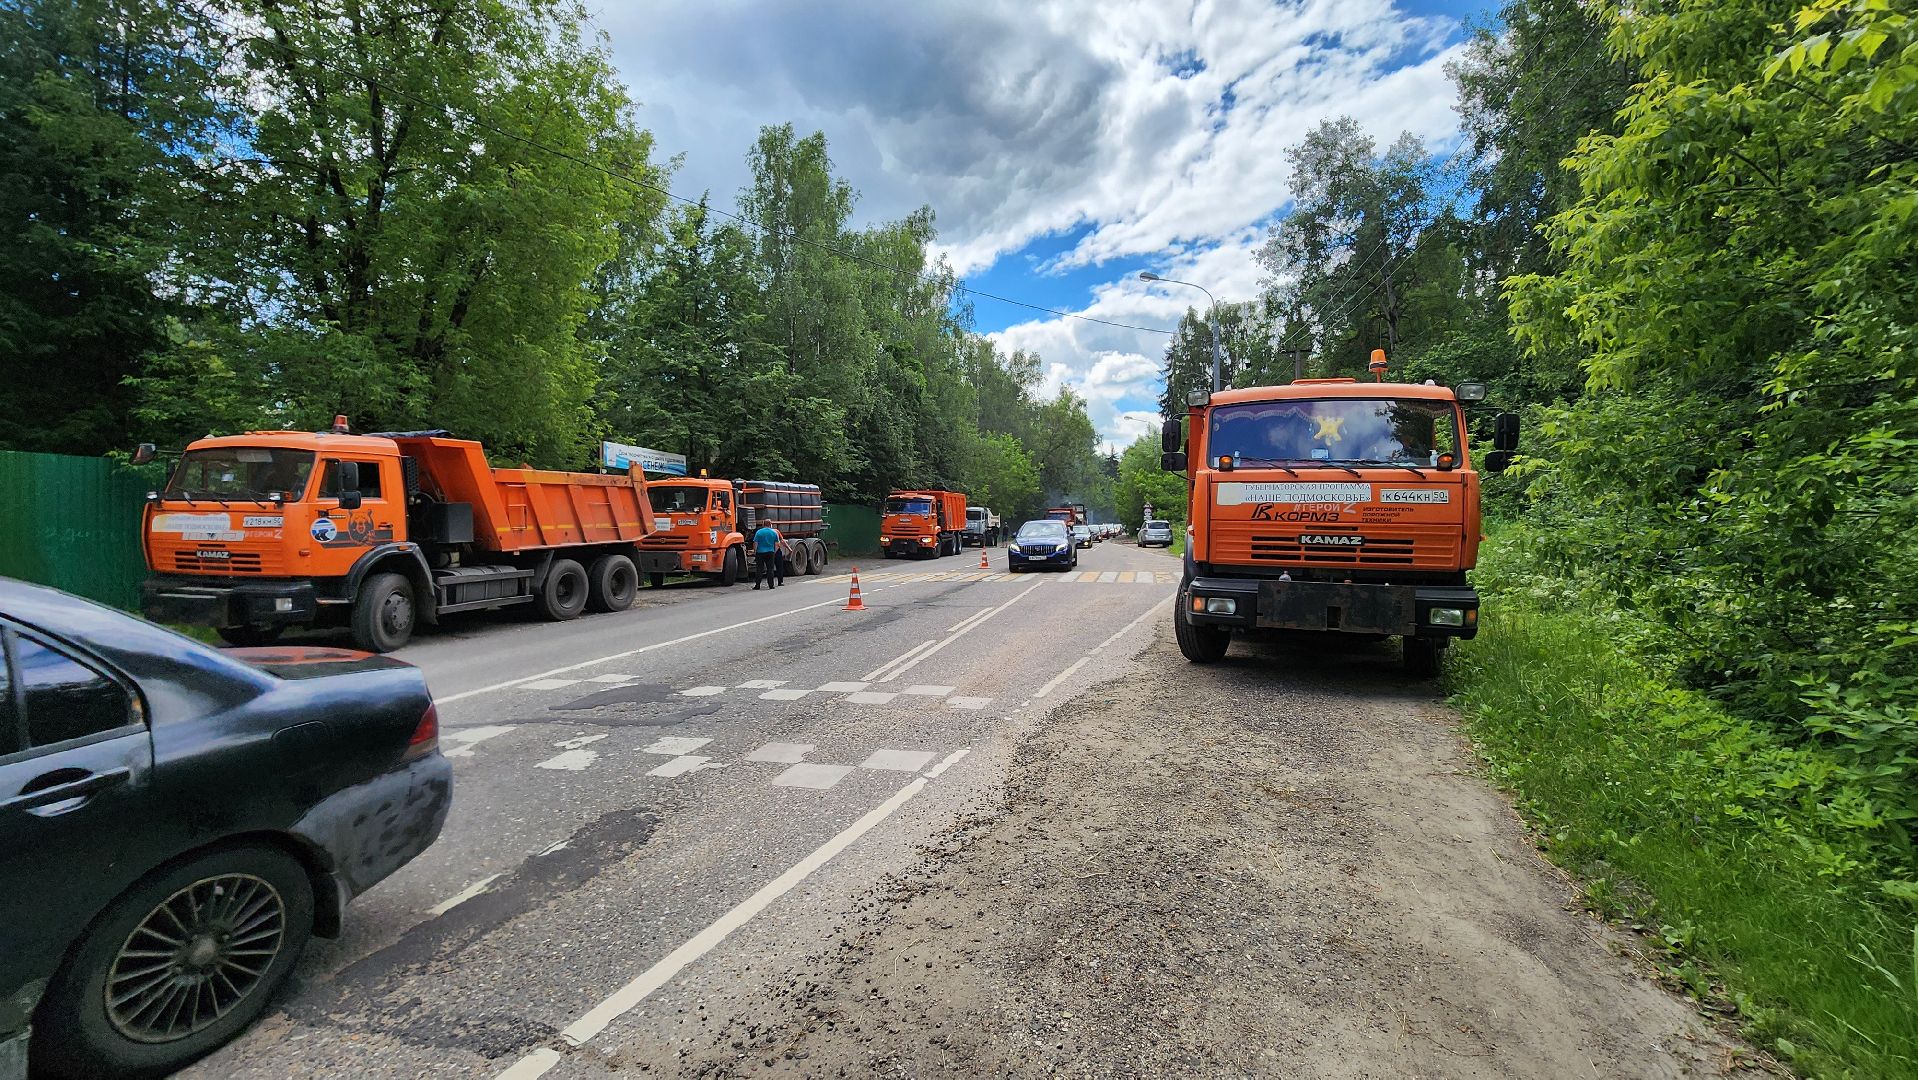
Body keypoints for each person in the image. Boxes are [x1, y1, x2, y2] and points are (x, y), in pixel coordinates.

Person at [753, 521, 782, 589]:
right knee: (770, 569)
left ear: (763, 524)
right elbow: (777, 544)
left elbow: (755, 543)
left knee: (759, 569)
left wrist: (755, 551)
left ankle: (757, 585)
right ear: (770, 525)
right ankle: (771, 585)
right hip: (770, 552)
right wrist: (774, 552)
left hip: (760, 553)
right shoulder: (774, 532)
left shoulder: (759, 532)